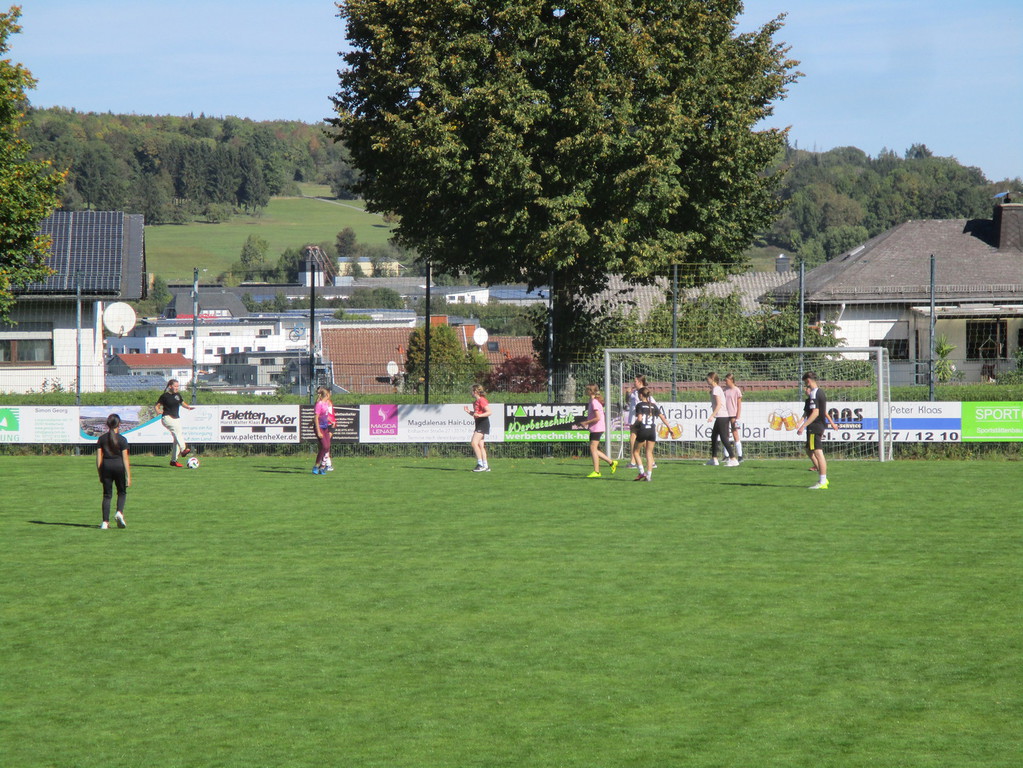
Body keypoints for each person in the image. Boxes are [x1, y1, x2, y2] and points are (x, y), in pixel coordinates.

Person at [796, 371, 832, 489]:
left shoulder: (814, 393)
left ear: (808, 381)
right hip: (819, 426)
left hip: (815, 427)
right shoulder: (820, 392)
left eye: (805, 382)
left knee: (818, 453)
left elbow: (815, 412)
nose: (805, 385)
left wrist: (803, 426)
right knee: (809, 450)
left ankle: (822, 481)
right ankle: (822, 478)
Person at [626, 375, 671, 468]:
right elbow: (627, 401)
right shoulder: (634, 392)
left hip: (640, 421)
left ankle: (634, 462)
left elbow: (652, 404)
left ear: (640, 382)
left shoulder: (644, 392)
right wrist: (627, 393)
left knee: (634, 440)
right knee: (641, 442)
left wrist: (646, 415)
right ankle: (651, 462)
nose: (633, 383)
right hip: (634, 419)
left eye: (635, 381)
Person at [96, 413, 131, 529]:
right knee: (122, 492)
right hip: (119, 467)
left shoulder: (101, 439)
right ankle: (119, 512)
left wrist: (100, 473)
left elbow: (99, 458)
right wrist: (128, 476)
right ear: (119, 424)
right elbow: (125, 459)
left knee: (107, 495)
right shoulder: (122, 440)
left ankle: (105, 522)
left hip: (106, 467)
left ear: (107, 424)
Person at [579, 384, 618, 478]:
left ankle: (597, 472)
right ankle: (611, 462)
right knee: (594, 449)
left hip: (597, 428)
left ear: (590, 391)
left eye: (586, 389)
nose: (585, 391)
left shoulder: (594, 402)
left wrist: (586, 422)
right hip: (595, 428)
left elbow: (598, 417)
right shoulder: (592, 401)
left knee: (593, 449)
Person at [155, 378, 194, 467]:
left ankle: (173, 460)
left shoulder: (177, 395)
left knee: (176, 439)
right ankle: (183, 449)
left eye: (178, 386)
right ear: (170, 386)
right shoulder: (165, 396)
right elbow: (157, 405)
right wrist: (158, 411)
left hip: (176, 418)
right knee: (177, 433)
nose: (177, 388)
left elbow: (182, 402)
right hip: (167, 418)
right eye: (175, 386)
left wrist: (188, 407)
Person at [705, 372, 738, 466]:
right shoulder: (716, 389)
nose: (707, 381)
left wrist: (712, 415)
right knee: (714, 436)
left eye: (708, 379)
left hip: (721, 416)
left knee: (724, 438)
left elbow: (719, 404)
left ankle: (733, 458)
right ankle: (714, 459)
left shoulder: (716, 389)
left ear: (712, 379)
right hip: (721, 417)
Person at [631, 387, 658, 481]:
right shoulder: (653, 405)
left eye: (639, 394)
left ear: (641, 395)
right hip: (652, 431)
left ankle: (642, 472)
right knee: (649, 453)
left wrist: (634, 426)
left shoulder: (640, 405)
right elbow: (662, 416)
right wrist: (669, 428)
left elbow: (639, 419)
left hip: (643, 430)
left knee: (636, 451)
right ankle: (649, 476)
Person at [465, 384, 491, 472]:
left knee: (474, 443)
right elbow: (476, 414)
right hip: (479, 423)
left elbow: (489, 412)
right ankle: (486, 466)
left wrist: (479, 415)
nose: (471, 393)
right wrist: (469, 412)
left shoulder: (481, 400)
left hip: (483, 423)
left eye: (472, 391)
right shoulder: (475, 402)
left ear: (475, 391)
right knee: (480, 445)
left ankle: (480, 465)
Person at [312, 386, 336, 475]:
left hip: (325, 427)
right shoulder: (319, 404)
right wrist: (318, 431)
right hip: (320, 428)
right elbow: (316, 418)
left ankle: (322, 467)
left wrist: (331, 421)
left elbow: (325, 415)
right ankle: (316, 466)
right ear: (327, 395)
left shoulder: (326, 404)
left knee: (327, 447)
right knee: (325, 446)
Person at [723, 373, 744, 462]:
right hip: (725, 414)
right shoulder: (724, 390)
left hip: (733, 415)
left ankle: (740, 456)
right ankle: (726, 455)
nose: (725, 382)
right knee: (725, 434)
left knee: (735, 433)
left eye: (726, 380)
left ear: (731, 380)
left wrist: (738, 416)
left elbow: (739, 404)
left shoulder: (736, 390)